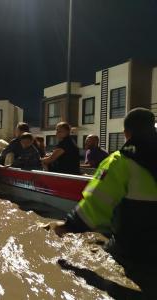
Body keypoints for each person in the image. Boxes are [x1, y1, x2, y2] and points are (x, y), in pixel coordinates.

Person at [47, 108, 157, 297]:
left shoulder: (120, 161)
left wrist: (67, 225)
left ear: (126, 133)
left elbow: (96, 205)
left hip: (136, 248)